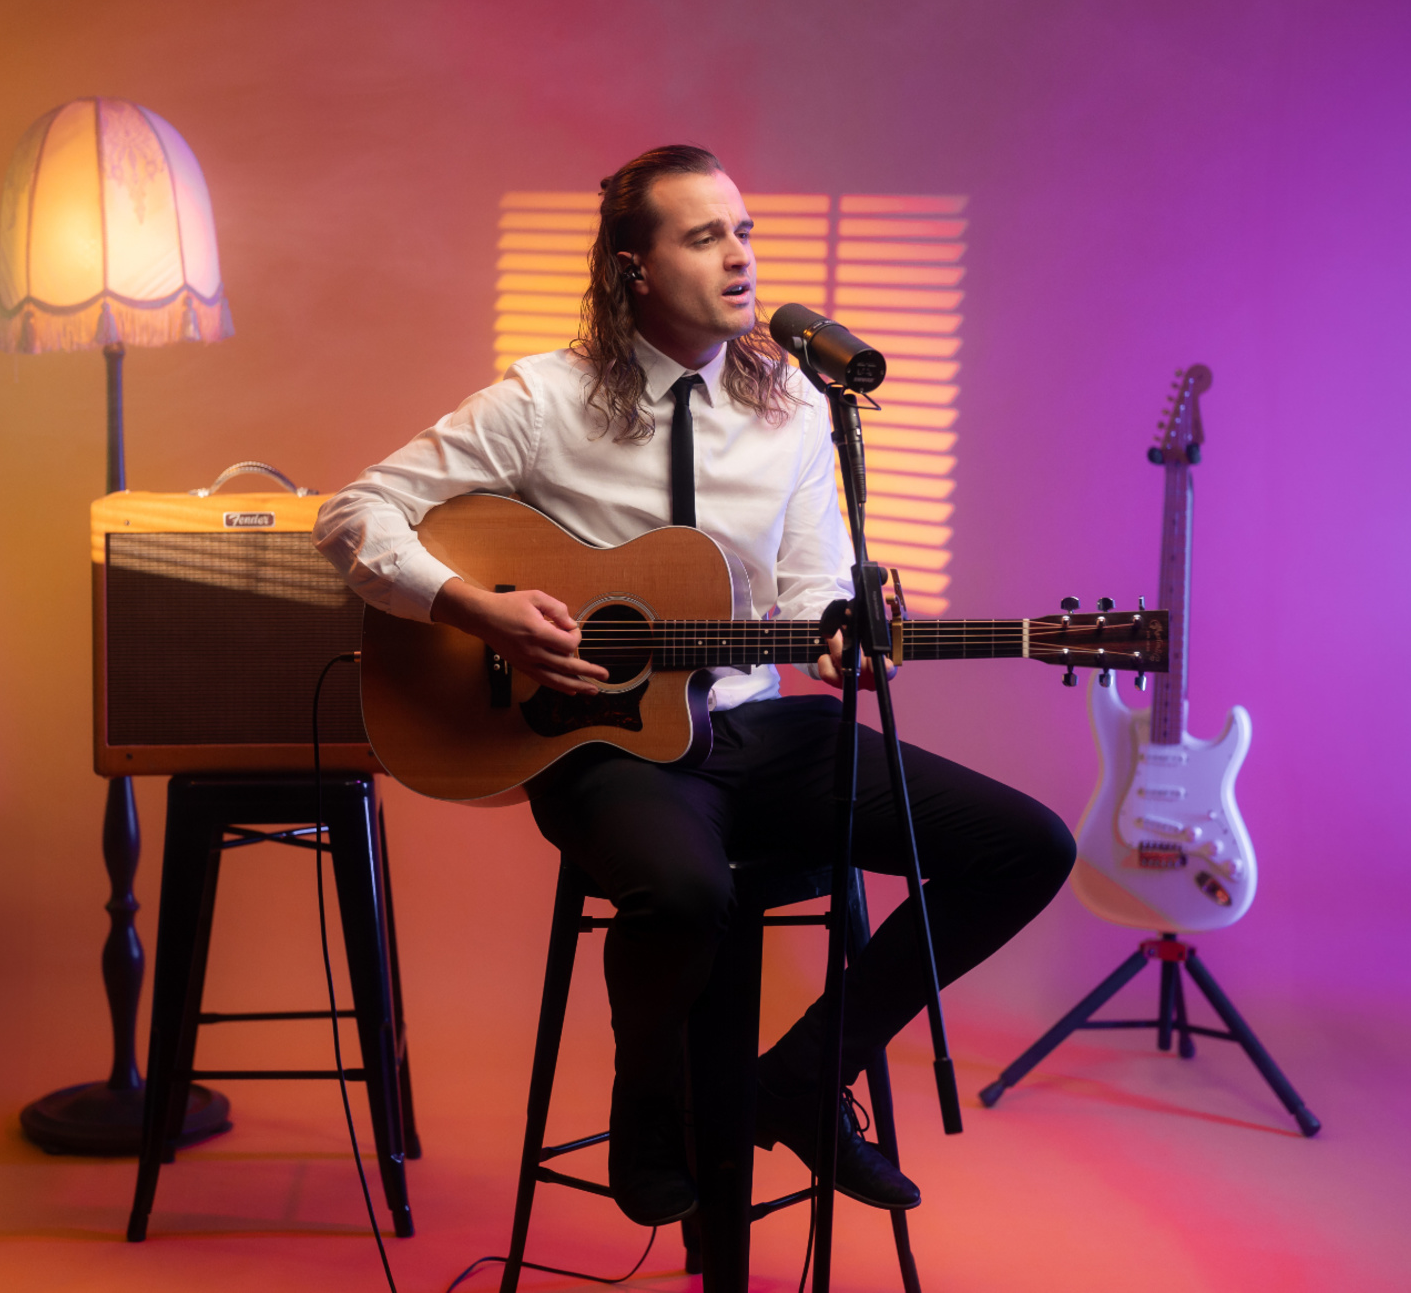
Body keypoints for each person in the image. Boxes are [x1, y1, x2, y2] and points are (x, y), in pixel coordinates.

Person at [315, 145, 1076, 1226]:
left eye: (745, 232)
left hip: (756, 727)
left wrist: (845, 635)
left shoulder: (796, 411)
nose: (739, 258)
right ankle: (647, 1106)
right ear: (632, 267)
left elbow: (814, 587)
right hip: (598, 741)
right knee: (684, 891)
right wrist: (469, 605)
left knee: (1025, 844)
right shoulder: (546, 398)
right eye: (703, 235)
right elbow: (352, 515)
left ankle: (806, 1075)